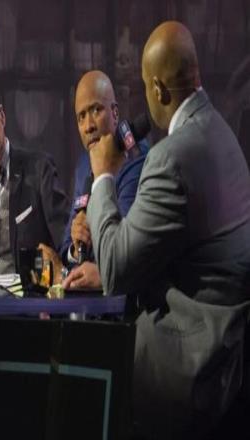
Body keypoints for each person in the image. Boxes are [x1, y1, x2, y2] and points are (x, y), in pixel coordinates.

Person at [66, 21, 250, 439]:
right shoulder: (222, 134)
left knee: (80, 376)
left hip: (191, 363)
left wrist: (103, 176)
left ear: (158, 90)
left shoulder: (169, 158)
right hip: (229, 352)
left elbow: (116, 271)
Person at [40, 71, 148, 287]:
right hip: (88, 295)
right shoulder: (83, 165)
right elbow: (67, 246)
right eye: (81, 117)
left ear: (115, 113)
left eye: (96, 110)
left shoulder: (136, 158)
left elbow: (122, 245)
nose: (88, 125)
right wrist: (74, 249)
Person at [0, 83, 69, 274]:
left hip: (27, 291)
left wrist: (71, 260)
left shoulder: (39, 170)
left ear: (2, 117)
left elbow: (65, 240)